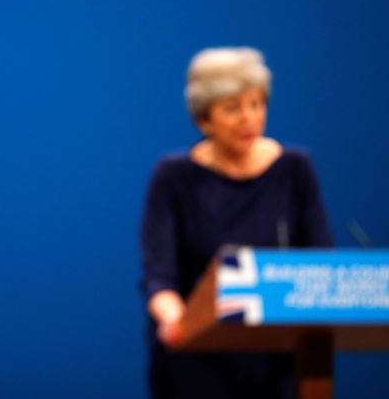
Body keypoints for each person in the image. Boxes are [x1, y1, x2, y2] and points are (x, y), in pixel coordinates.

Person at [140, 47, 334, 399]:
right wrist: (174, 319)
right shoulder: (173, 177)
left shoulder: (294, 168)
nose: (248, 118)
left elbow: (320, 263)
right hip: (197, 359)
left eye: (256, 104)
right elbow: (160, 276)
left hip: (278, 358)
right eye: (232, 108)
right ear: (204, 119)